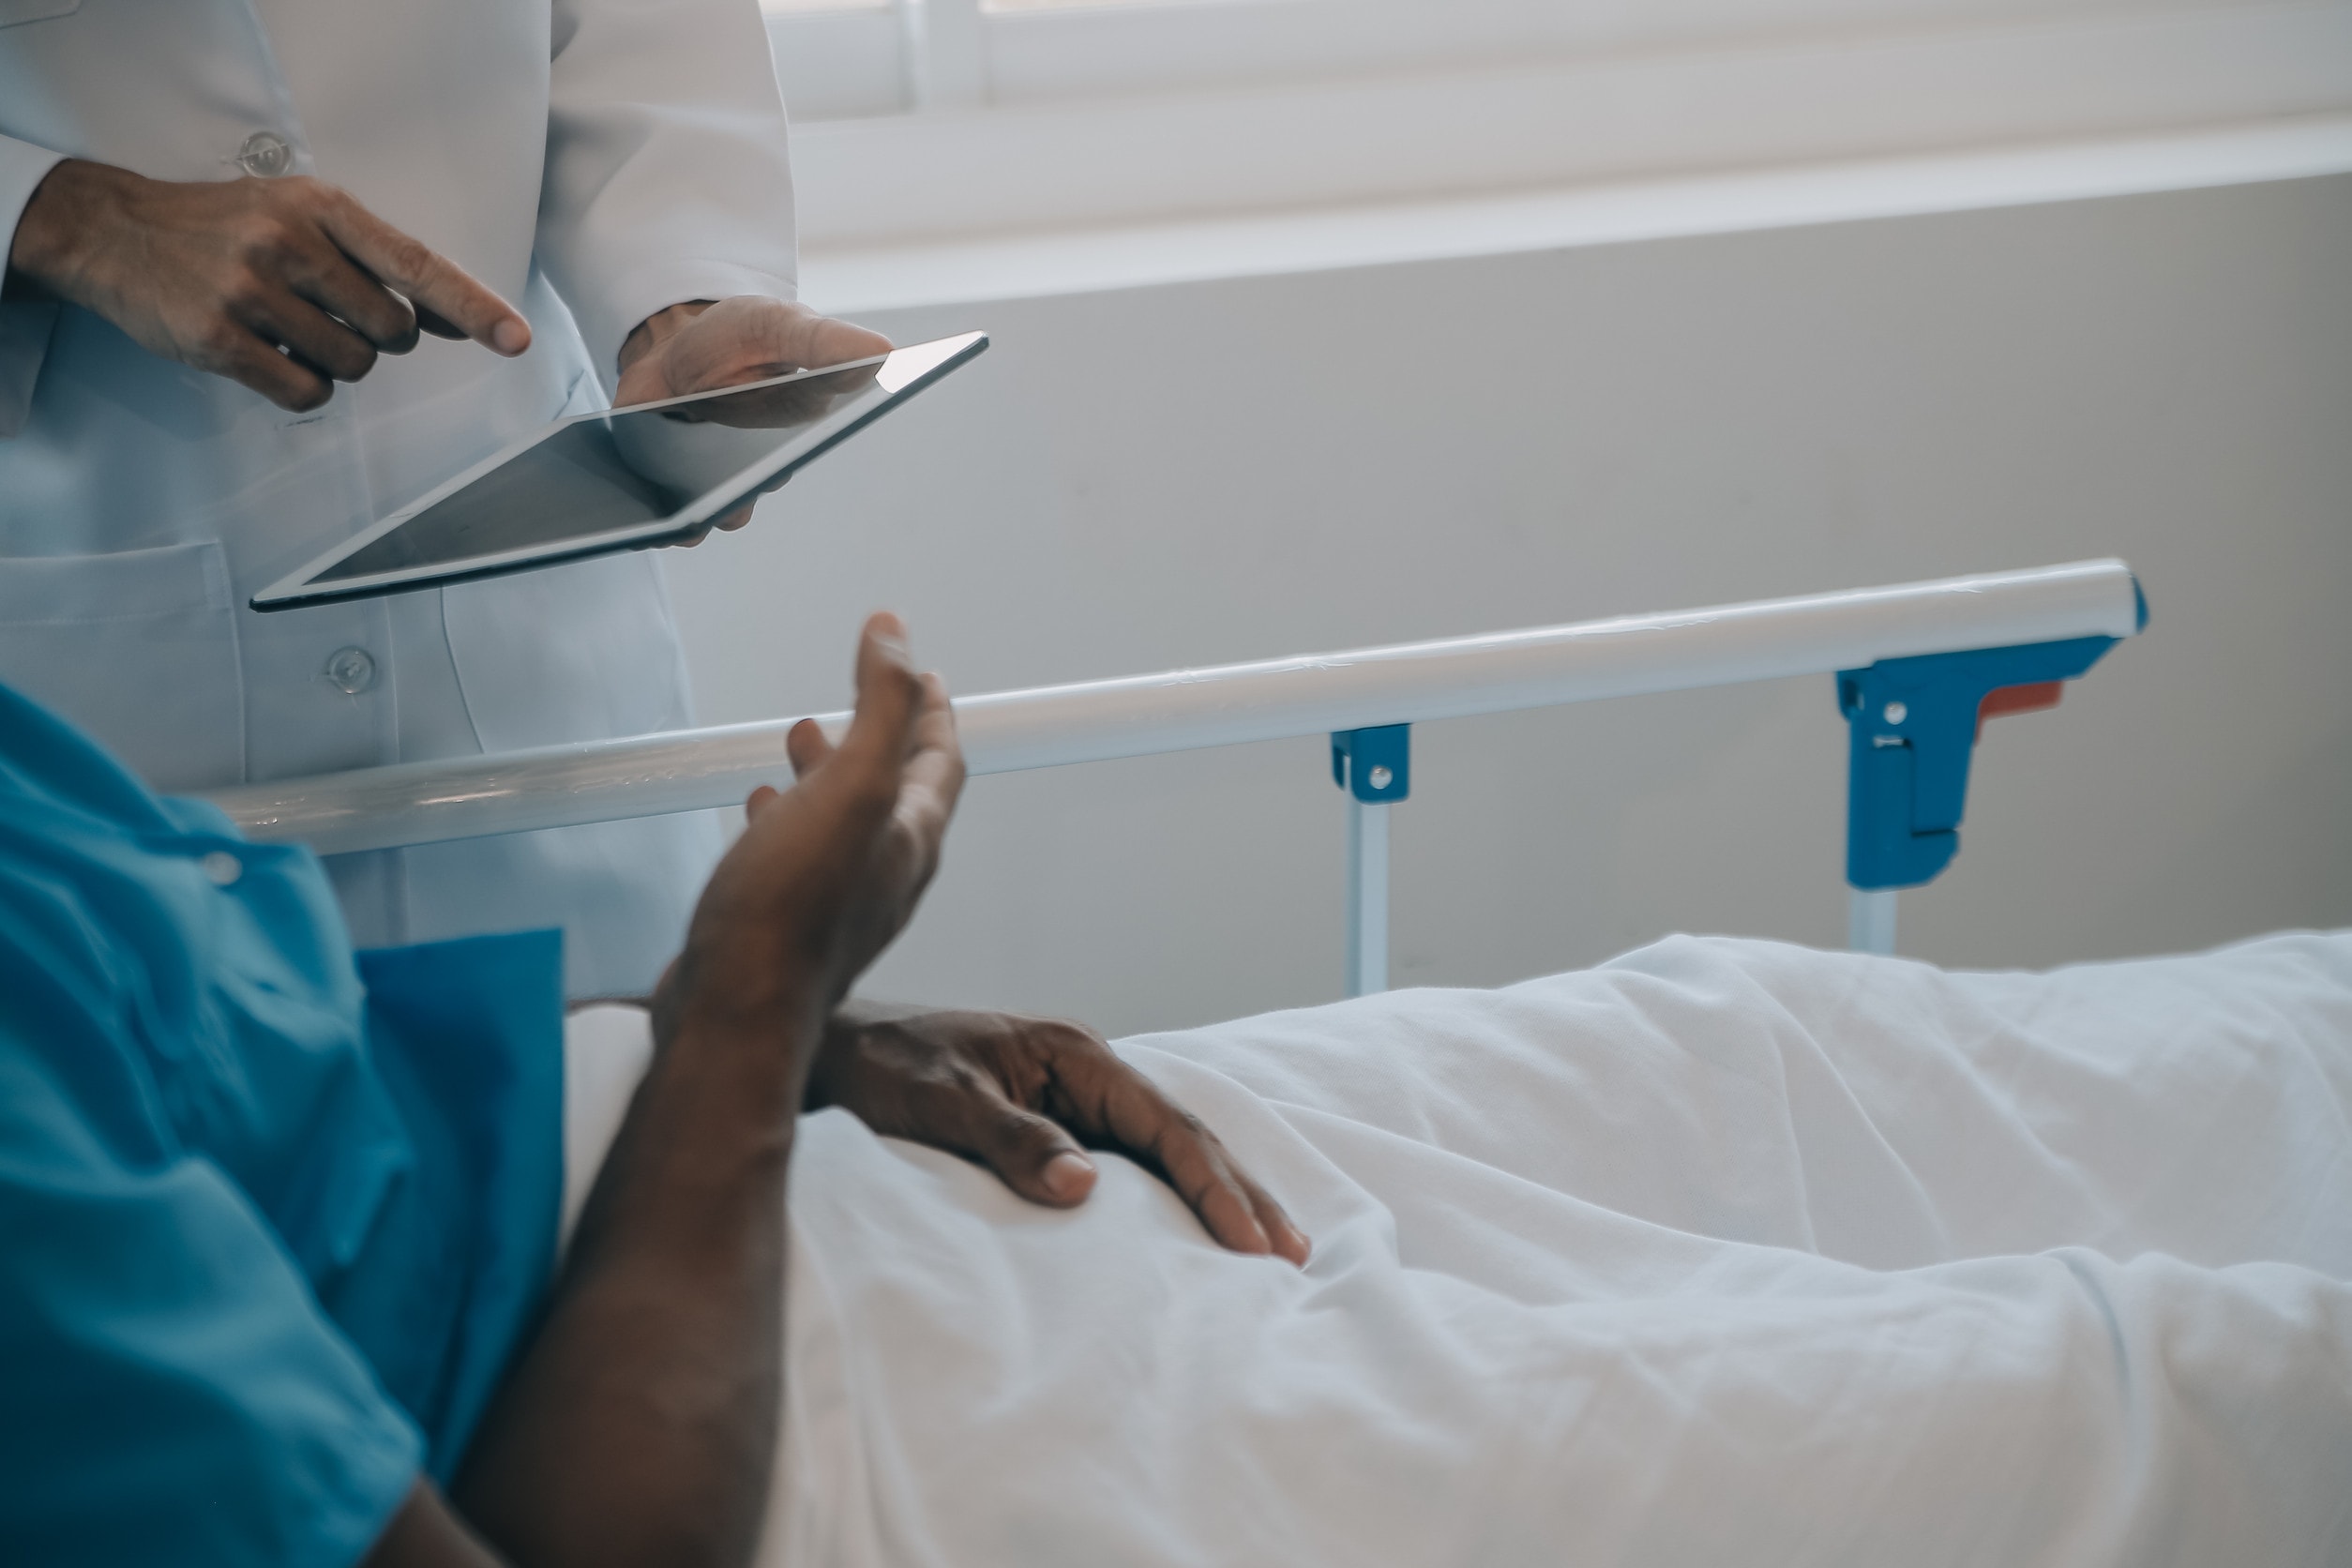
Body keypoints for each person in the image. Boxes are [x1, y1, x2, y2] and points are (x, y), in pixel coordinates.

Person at [5, 612, 2349, 1566]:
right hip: (793, 1425)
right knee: (2109, 1390)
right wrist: (744, 992)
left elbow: (256, 1096)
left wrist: (775, 1039)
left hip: (765, 1172)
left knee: (1783, 1046)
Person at [0, 0, 888, 997]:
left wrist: (677, 300)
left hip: (527, 666)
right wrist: (51, 216)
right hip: (96, 672)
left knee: (645, 1108)